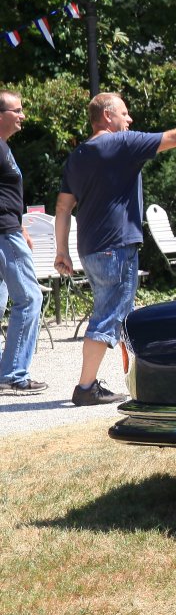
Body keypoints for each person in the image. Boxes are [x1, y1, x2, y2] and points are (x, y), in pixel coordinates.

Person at [54, 93, 176, 406]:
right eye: (124, 113)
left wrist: (61, 250)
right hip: (115, 246)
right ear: (107, 116)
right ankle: (85, 387)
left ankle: (141, 378)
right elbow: (175, 137)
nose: (129, 119)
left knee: (121, 314)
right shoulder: (121, 143)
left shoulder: (78, 155)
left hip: (90, 248)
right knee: (107, 318)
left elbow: (63, 207)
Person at [0, 90, 44, 394]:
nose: (22, 115)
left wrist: (21, 226)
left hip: (9, 230)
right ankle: (13, 374)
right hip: (4, 233)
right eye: (17, 110)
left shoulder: (4, 147)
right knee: (29, 299)